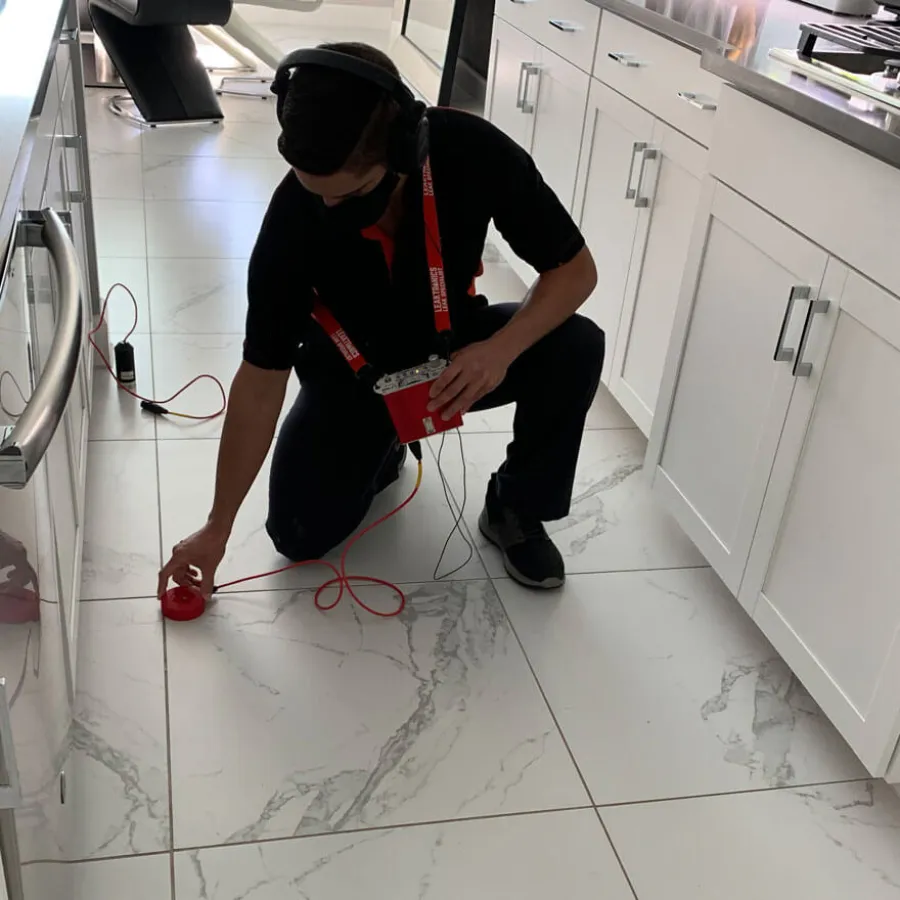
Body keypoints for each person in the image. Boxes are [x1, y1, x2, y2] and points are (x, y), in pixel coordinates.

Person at [157, 41, 603, 600]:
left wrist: (499, 351)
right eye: (313, 189)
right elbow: (260, 379)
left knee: (575, 346)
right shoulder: (292, 219)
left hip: (457, 356)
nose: (329, 208)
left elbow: (574, 271)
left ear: (402, 149)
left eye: (352, 193)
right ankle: (385, 446)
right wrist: (217, 528)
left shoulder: (470, 152)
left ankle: (515, 505)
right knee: (298, 536)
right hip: (352, 378)